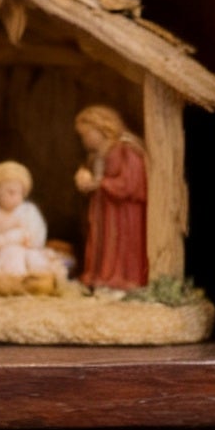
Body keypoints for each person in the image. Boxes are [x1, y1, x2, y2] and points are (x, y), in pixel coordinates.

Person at [0, 160, 70, 297]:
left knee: (37, 261)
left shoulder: (29, 210)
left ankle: (35, 281)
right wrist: (5, 240)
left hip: (26, 251)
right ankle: (8, 283)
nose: (13, 196)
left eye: (18, 192)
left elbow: (38, 235)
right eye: (8, 192)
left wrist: (27, 240)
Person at [76, 104, 148, 291]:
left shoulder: (127, 149)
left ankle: (122, 280)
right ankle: (101, 277)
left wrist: (100, 183)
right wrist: (85, 178)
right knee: (103, 243)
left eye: (87, 134)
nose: (84, 140)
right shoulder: (98, 154)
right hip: (105, 210)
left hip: (124, 213)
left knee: (122, 247)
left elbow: (130, 183)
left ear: (103, 129)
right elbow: (96, 176)